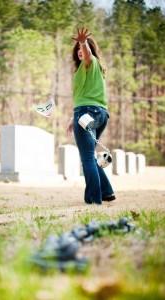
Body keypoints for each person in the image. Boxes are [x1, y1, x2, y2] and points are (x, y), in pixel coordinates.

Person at [67, 27, 115, 205]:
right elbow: (83, 96)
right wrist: (72, 119)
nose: (80, 52)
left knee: (86, 157)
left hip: (87, 113)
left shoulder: (91, 62)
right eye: (78, 50)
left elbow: (87, 55)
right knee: (90, 156)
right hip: (100, 114)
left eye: (83, 49)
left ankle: (94, 199)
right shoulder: (93, 71)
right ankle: (107, 191)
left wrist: (82, 42)